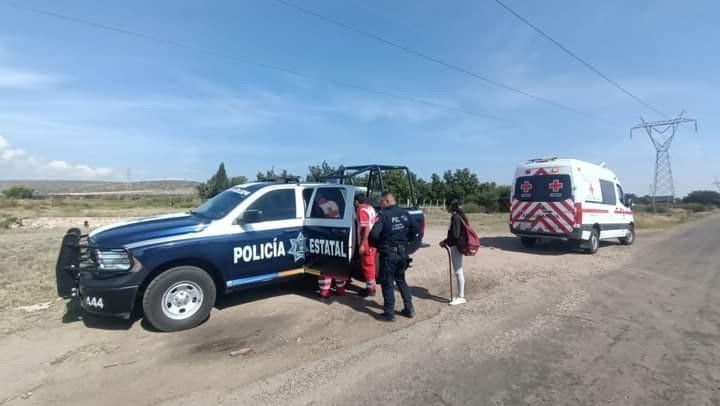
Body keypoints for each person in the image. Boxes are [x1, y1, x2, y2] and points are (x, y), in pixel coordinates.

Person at [370, 192, 419, 321]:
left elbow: (374, 235)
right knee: (401, 280)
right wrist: (406, 245)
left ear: (386, 201)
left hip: (388, 254)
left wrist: (379, 245)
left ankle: (389, 313)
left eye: (381, 202)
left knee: (387, 283)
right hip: (402, 254)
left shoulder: (383, 215)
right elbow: (416, 230)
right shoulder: (405, 213)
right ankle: (409, 309)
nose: (380, 204)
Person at [439, 199, 467, 305]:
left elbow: (455, 235)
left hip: (456, 247)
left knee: (458, 271)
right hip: (455, 246)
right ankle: (460, 295)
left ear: (451, 207)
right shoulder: (456, 216)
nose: (446, 208)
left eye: (447, 206)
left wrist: (445, 241)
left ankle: (461, 297)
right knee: (458, 271)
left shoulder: (455, 217)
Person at [355, 194, 377, 296]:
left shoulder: (361, 210)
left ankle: (370, 289)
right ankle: (372, 287)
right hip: (372, 240)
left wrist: (362, 244)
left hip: (367, 241)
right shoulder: (370, 208)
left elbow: (365, 228)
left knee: (367, 265)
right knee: (371, 264)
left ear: (356, 202)